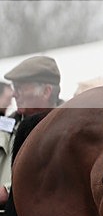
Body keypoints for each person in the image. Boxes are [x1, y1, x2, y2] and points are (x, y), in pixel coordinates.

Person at [0, 56, 62, 208]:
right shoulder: (7, 125)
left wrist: (7, 193)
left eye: (20, 87)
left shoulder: (67, 129)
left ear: (46, 91)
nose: (14, 94)